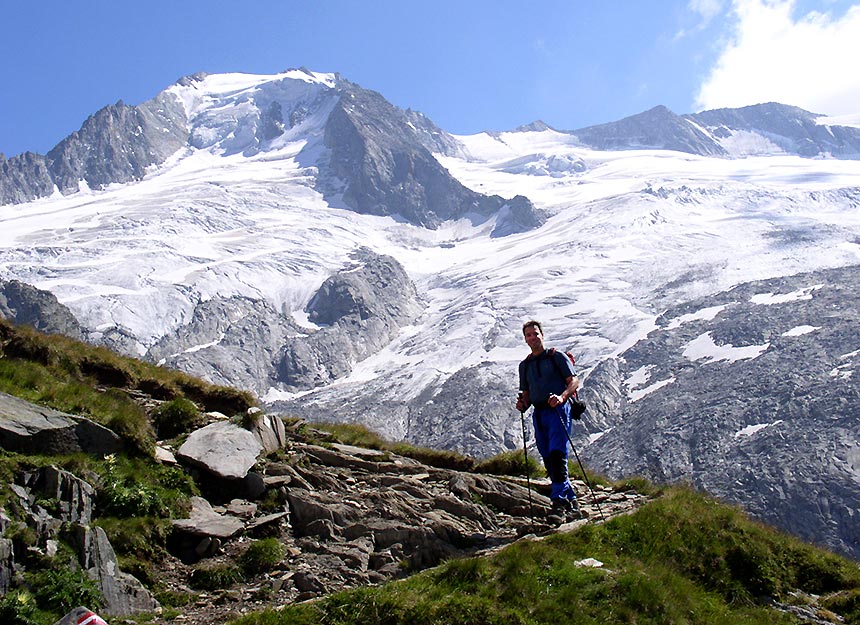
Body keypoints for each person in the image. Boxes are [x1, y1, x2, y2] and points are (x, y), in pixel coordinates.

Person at [515, 320, 582, 523]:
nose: (532, 338)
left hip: (558, 409)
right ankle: (571, 501)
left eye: (535, 334)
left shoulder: (557, 357)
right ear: (525, 339)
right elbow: (526, 394)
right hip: (539, 412)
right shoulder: (525, 366)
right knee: (547, 455)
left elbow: (574, 381)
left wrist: (562, 398)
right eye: (528, 335)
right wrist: (522, 404)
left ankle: (559, 502)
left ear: (542, 335)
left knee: (556, 452)